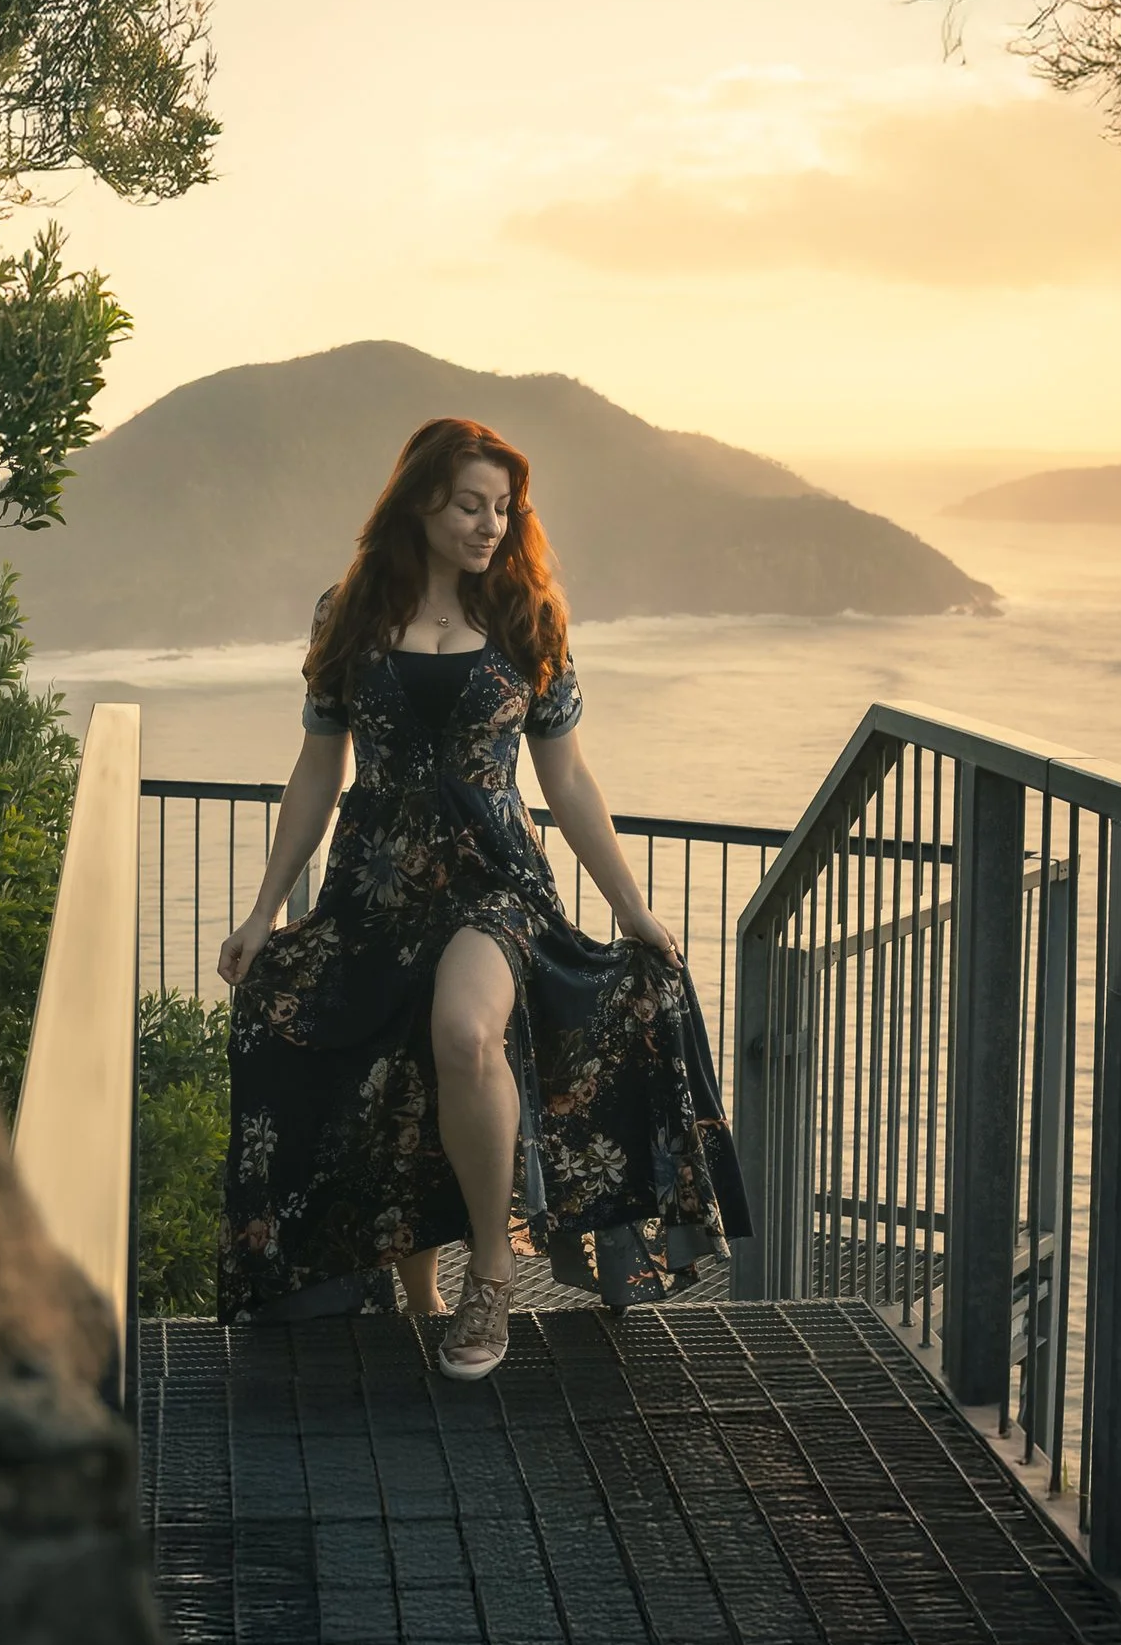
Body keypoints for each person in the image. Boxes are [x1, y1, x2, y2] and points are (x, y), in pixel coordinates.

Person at [215, 415, 750, 1381]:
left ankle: (491, 1275)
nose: (490, 524)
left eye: (504, 508)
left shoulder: (526, 619)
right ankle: (414, 1295)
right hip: (374, 888)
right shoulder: (345, 613)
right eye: (470, 504)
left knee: (464, 1036)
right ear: (420, 501)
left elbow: (570, 780)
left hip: (494, 884)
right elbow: (314, 770)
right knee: (372, 1059)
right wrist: (264, 911)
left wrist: (630, 907)